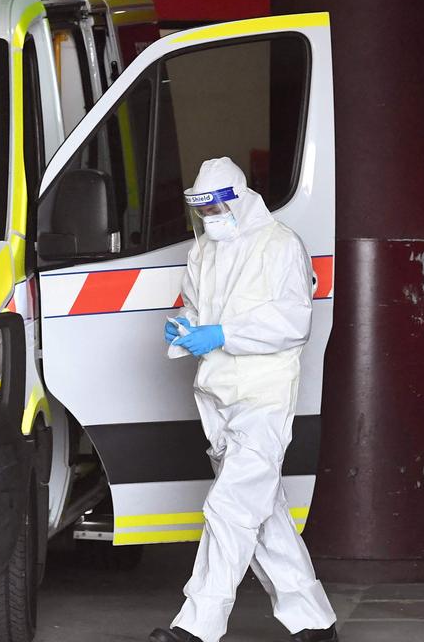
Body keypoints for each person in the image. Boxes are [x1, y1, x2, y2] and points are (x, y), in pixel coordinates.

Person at [151, 157, 337, 642]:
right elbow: (195, 308)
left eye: (216, 206)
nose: (210, 216)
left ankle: (198, 626)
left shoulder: (280, 246)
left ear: (240, 198)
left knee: (230, 507)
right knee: (265, 514)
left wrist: (223, 333)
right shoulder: (204, 252)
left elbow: (294, 323)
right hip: (216, 393)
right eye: (202, 208)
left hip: (264, 394)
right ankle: (315, 623)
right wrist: (187, 329)